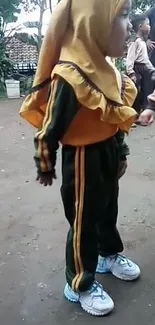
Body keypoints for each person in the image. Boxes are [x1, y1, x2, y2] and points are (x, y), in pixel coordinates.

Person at [19, 0, 140, 317]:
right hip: (83, 159)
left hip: (108, 152)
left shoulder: (106, 70)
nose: (129, 26)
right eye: (122, 16)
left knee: (108, 207)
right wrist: (45, 164)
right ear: (92, 22)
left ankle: (107, 254)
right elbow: (49, 128)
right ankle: (79, 283)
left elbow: (114, 115)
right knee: (84, 220)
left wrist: (121, 151)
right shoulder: (70, 75)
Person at [126, 14, 155, 115]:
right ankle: (132, 115)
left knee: (144, 91)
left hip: (144, 68)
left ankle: (143, 110)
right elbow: (130, 58)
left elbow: (145, 60)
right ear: (140, 27)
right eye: (147, 24)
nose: (149, 26)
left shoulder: (142, 42)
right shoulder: (135, 42)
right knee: (136, 93)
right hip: (136, 69)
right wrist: (131, 73)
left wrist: (152, 70)